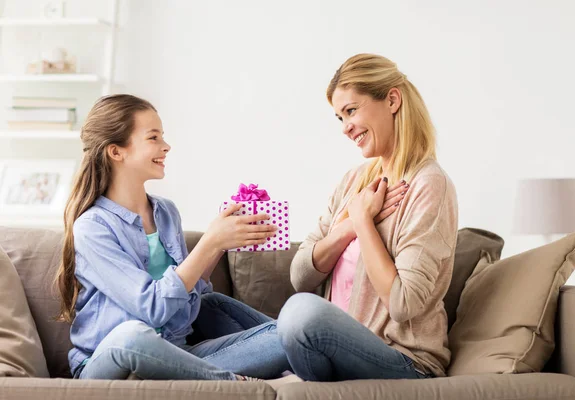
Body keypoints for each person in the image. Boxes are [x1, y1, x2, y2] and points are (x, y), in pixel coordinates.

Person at [54, 94, 292, 383]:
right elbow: (151, 309)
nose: (166, 146)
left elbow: (190, 299)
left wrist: (220, 243)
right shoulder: (93, 227)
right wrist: (210, 243)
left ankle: (299, 343)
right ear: (116, 152)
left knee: (290, 333)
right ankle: (230, 383)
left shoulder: (166, 212)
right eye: (153, 138)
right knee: (131, 335)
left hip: (177, 356)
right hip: (112, 361)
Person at [277, 53, 459, 381]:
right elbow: (300, 276)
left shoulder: (429, 183)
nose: (346, 128)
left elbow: (403, 303)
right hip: (334, 346)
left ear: (392, 99)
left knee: (299, 313)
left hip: (401, 359)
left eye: (351, 111)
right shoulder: (354, 181)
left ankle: (290, 370)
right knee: (216, 308)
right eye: (339, 117)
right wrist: (348, 227)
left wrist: (363, 223)